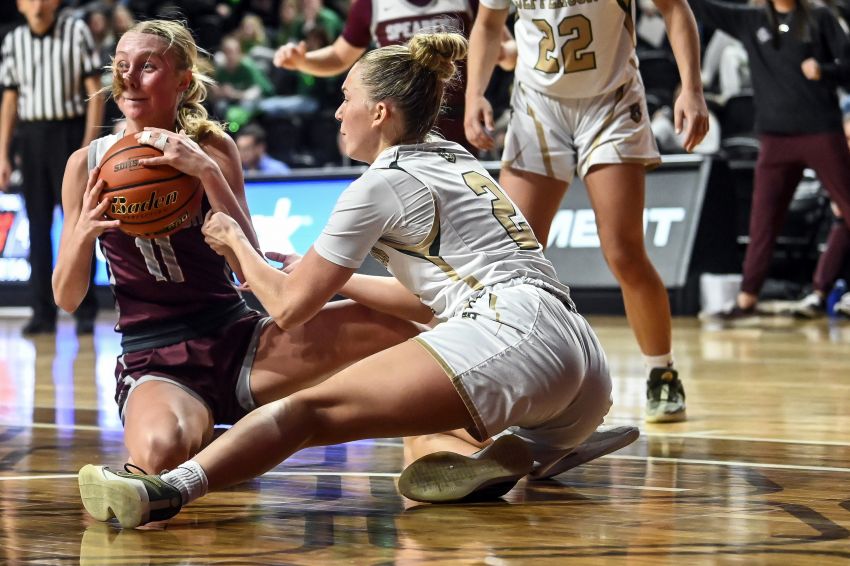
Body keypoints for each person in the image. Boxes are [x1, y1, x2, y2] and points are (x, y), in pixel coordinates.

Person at [77, 31, 635, 528]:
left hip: (513, 337)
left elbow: (287, 308)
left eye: (346, 100)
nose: (336, 114)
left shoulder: (377, 185)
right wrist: (334, 280)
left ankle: (163, 491)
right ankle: (530, 450)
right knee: (419, 397)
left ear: (380, 113)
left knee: (306, 411)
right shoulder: (450, 156)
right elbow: (421, 299)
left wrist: (237, 247)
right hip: (582, 363)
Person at [52, 19, 420, 476]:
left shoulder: (212, 147)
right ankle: (206, 428)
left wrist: (206, 173)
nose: (128, 79)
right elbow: (66, 298)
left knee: (402, 325)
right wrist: (84, 234)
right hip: (156, 353)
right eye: (122, 66)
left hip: (239, 338)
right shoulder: (84, 166)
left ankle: (452, 442)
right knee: (162, 452)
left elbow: (247, 267)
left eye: (147, 67)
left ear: (183, 81)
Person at [464, 1, 709, 422]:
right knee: (511, 257)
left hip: (610, 101)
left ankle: (661, 371)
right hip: (537, 104)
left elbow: (674, 8)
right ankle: (501, 375)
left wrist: (692, 87)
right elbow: (488, 25)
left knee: (623, 251)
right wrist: (474, 95)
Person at [687, 0, 850, 323]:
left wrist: (824, 70)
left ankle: (820, 289)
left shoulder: (820, 18)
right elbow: (701, 8)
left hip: (821, 131)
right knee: (762, 221)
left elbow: (848, 66)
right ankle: (746, 301)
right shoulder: (751, 20)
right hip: (774, 138)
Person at [272, 0, 518, 152]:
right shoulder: (371, 4)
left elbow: (508, 50)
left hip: (456, 122)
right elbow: (340, 55)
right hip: (394, 126)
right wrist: (304, 61)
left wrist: (495, 53)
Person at [0, 0, 104, 335]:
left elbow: (95, 93)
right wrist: (2, 152)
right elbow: (10, 100)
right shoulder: (13, 40)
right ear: (19, 4)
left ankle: (85, 310)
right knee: (38, 226)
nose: (38, 4)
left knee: (78, 226)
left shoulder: (76, 31)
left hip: (69, 132)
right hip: (31, 136)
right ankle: (41, 312)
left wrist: (87, 147)